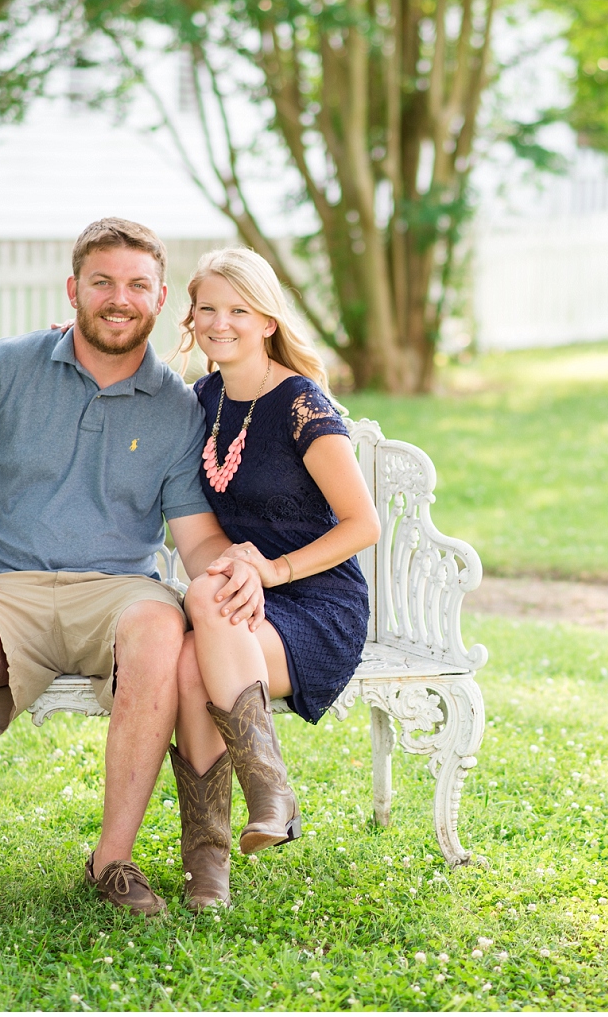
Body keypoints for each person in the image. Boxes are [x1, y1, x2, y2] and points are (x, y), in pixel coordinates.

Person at [0, 218, 264, 938]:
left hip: (116, 589)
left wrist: (238, 567)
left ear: (160, 298)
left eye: (137, 285)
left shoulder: (178, 407)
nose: (120, 298)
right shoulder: (4, 367)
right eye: (104, 282)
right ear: (73, 290)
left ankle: (111, 861)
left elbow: (194, 536)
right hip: (0, 587)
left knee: (157, 624)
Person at [166, 248, 380, 910]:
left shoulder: (300, 405)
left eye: (239, 310)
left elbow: (362, 523)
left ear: (266, 321)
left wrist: (274, 569)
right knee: (191, 662)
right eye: (208, 308)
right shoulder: (200, 400)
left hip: (318, 602)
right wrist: (240, 574)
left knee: (201, 615)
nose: (220, 322)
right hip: (242, 603)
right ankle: (234, 843)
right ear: (191, 316)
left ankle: (225, 848)